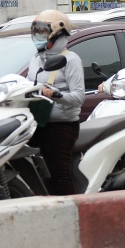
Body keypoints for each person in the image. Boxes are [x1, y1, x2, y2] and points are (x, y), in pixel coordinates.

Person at [25, 11, 85, 196]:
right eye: (36, 31)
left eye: (43, 31)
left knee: (59, 173)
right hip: (38, 122)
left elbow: (78, 97)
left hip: (62, 125)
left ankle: (71, 213)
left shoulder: (71, 60)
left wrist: (56, 95)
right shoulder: (36, 59)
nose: (38, 36)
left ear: (57, 33)